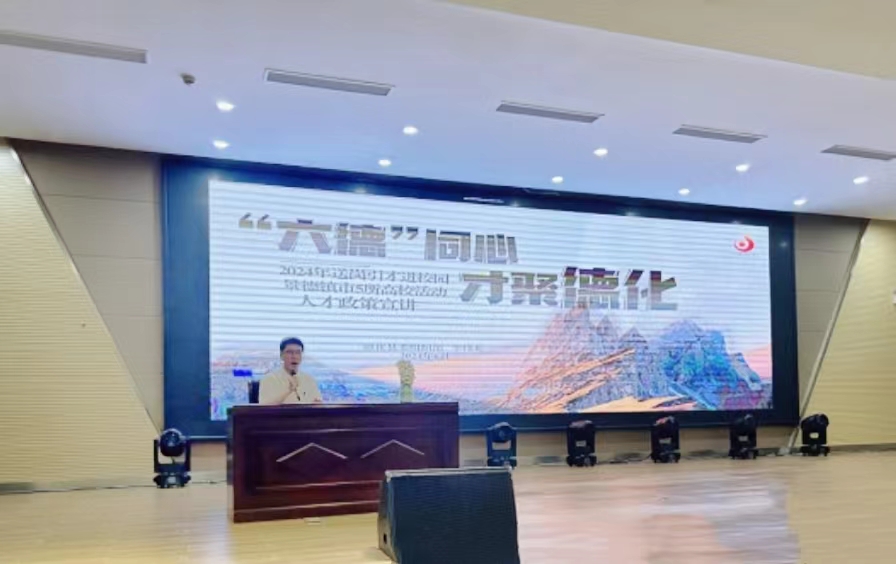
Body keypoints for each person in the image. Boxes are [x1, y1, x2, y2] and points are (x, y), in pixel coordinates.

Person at [258, 337, 323, 405]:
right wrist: (289, 390)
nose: (294, 356)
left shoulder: (309, 380)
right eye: (289, 352)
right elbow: (264, 407)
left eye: (298, 352)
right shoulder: (269, 379)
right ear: (281, 355)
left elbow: (318, 403)